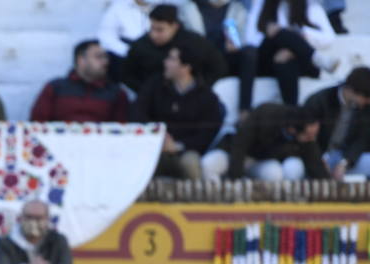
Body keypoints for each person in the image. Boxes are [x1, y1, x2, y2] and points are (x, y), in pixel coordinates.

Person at [132, 44, 224, 179]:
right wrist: (157, 136)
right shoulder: (155, 86)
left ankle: (197, 199)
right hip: (155, 148)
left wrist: (178, 145)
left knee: (190, 163)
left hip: (187, 151)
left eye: (171, 59)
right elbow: (137, 112)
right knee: (140, 161)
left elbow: (207, 134)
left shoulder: (206, 97)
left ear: (186, 67)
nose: (165, 62)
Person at [239, 0, 337, 107]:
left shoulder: (311, 7)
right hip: (268, 59)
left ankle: (291, 112)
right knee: (280, 35)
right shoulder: (261, 4)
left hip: (300, 60)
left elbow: (329, 38)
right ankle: (316, 58)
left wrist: (301, 34)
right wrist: (270, 33)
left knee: (285, 58)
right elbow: (250, 39)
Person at [302, 66, 370, 181]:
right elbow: (306, 138)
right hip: (316, 156)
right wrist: (318, 161)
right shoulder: (319, 101)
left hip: (343, 156)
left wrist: (345, 162)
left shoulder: (364, 107)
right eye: (366, 97)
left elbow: (362, 138)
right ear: (352, 91)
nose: (369, 101)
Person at [202, 103, 327, 180]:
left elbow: (315, 162)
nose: (312, 139)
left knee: (275, 174)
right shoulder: (266, 113)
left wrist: (331, 186)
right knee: (208, 164)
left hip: (260, 162)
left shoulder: (305, 136)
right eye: (308, 135)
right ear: (292, 130)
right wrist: (236, 179)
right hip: (233, 153)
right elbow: (239, 145)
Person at [120, 4, 227, 94]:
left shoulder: (194, 43)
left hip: (190, 99)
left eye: (160, 30)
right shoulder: (141, 46)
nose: (154, 35)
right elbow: (127, 74)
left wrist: (199, 88)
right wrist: (146, 92)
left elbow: (217, 66)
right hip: (152, 102)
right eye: (152, 28)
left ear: (174, 26)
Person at [30, 40, 130, 123]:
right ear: (81, 60)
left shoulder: (116, 93)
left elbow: (122, 131)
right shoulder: (55, 88)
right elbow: (37, 124)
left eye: (106, 57)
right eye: (99, 57)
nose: (105, 62)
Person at [0, 200, 73, 264]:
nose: (33, 222)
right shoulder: (7, 242)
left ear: (47, 219)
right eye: (29, 217)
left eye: (38, 218)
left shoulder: (59, 240)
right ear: (21, 218)